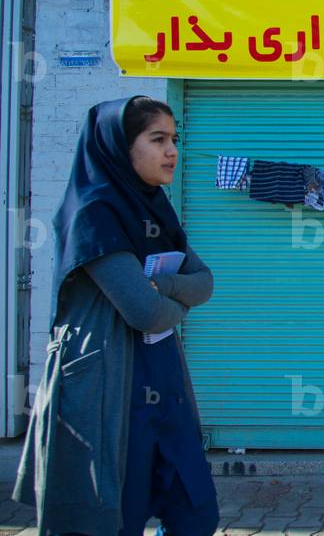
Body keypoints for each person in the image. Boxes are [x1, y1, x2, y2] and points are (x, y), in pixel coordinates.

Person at [12, 96, 219, 535]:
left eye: (174, 140)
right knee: (115, 514)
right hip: (108, 383)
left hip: (161, 379)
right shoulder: (94, 214)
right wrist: (168, 299)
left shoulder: (154, 209)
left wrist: (162, 286)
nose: (172, 152)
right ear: (118, 148)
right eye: (157, 139)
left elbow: (204, 283)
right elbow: (144, 313)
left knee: (195, 509)